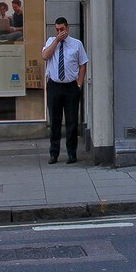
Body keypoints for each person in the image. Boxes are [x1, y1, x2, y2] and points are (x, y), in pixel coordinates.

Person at [42, 16, 88, 163]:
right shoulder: (51, 42)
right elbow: (44, 56)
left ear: (67, 28)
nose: (60, 32)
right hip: (54, 86)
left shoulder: (76, 44)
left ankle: (72, 153)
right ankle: (54, 153)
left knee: (71, 121)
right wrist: (56, 41)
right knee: (55, 121)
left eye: (62, 29)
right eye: (57, 30)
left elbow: (83, 64)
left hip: (70, 87)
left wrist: (79, 85)